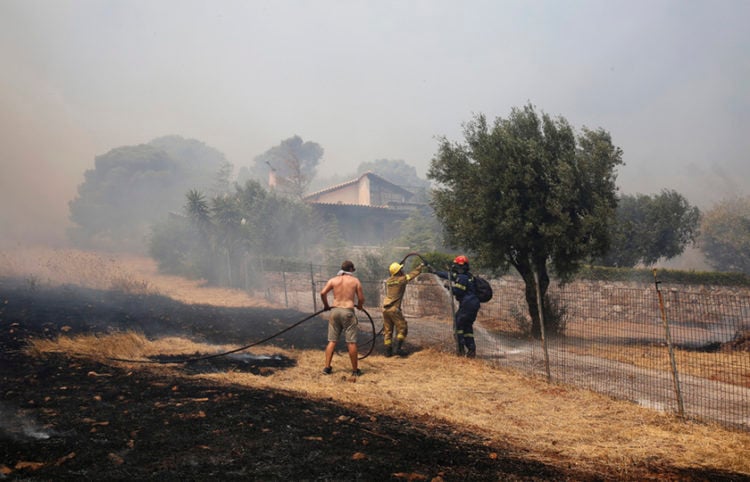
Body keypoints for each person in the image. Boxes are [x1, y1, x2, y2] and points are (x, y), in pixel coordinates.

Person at [320, 260, 365, 376]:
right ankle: (355, 371)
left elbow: (322, 293)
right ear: (350, 269)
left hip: (335, 311)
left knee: (332, 341)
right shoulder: (355, 281)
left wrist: (326, 305)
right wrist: (360, 306)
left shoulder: (333, 280)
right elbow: (361, 299)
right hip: (348, 312)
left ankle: (326, 368)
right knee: (351, 342)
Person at [433, 255, 480, 358]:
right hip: (473, 304)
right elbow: (449, 275)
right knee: (467, 327)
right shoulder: (468, 275)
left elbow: (459, 290)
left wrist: (449, 287)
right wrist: (435, 272)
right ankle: (471, 350)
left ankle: (460, 350)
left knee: (458, 325)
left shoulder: (462, 277)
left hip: (467, 305)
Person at [382, 261, 424, 357]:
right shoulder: (402, 280)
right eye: (401, 269)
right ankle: (398, 349)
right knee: (402, 328)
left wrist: (399, 268)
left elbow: (396, 276)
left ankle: (388, 352)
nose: (403, 270)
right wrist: (420, 266)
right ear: (399, 271)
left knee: (388, 331)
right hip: (394, 309)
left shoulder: (389, 281)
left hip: (385, 309)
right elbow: (412, 275)